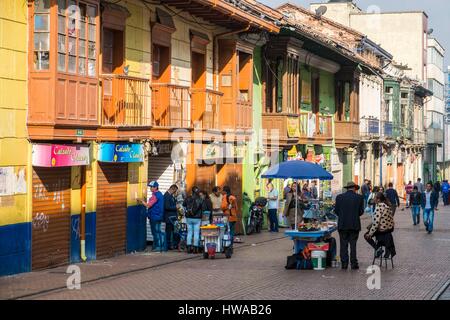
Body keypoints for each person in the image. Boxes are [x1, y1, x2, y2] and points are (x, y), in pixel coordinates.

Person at [334, 181, 364, 270]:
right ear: (354, 188)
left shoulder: (339, 197)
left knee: (343, 245)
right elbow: (361, 212)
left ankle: (344, 263)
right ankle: (354, 263)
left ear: (347, 188)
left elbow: (336, 211)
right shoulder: (359, 198)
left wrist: (343, 215)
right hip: (354, 224)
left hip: (342, 224)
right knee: (353, 245)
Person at [364, 192, 396, 259]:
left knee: (366, 235)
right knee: (370, 229)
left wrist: (370, 234)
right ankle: (380, 249)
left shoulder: (379, 207)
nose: (374, 199)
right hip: (389, 228)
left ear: (378, 199)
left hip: (382, 229)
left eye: (375, 198)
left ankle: (378, 249)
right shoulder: (387, 206)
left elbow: (376, 223)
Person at [140, 181, 165, 252]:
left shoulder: (155, 196)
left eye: (151, 187)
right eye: (150, 187)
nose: (150, 188)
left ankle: (158, 246)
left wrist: (141, 201)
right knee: (158, 231)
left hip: (154, 216)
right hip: (158, 216)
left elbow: (148, 205)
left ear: (156, 187)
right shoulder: (160, 194)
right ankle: (160, 246)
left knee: (155, 232)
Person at [183, 186, 204, 253]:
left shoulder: (187, 198)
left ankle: (189, 247)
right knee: (196, 233)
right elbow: (202, 208)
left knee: (189, 232)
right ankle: (195, 248)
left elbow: (183, 205)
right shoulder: (200, 199)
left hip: (189, 217)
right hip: (197, 218)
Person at [163, 184, 179, 251]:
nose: (175, 193)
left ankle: (172, 245)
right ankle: (168, 246)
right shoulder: (166, 196)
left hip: (172, 217)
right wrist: (175, 207)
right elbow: (167, 207)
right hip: (169, 217)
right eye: (175, 191)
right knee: (168, 232)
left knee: (174, 231)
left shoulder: (171, 195)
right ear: (172, 189)